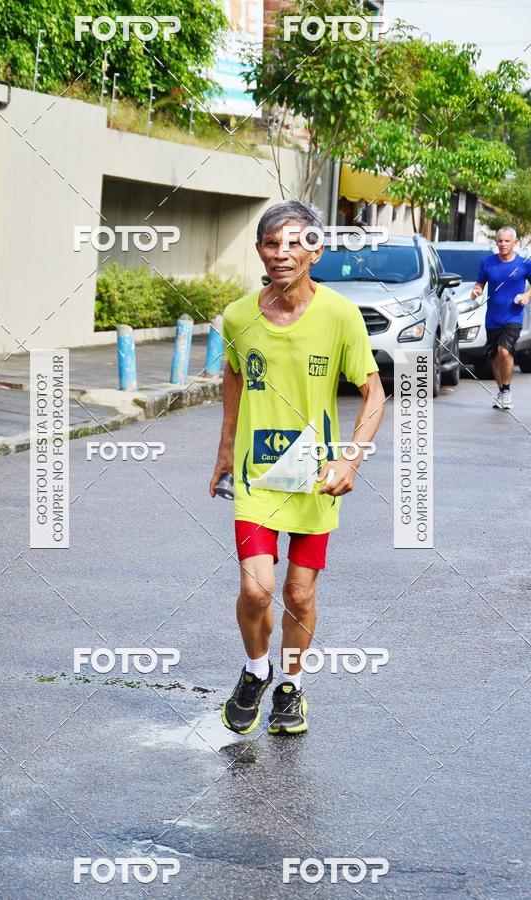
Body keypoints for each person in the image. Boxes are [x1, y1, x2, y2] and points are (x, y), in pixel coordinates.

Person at [209, 200, 385, 736]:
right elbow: (234, 377)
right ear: (259, 250)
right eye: (271, 243)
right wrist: (224, 450)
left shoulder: (340, 316)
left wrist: (352, 457)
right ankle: (255, 670)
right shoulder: (238, 317)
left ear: (316, 252)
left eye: (295, 243)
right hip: (257, 478)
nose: (282, 253)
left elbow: (373, 392)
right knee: (256, 590)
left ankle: (291, 684)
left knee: (299, 594)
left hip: (315, 478)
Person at [471, 226, 531, 409]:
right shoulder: (488, 263)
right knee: (496, 357)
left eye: (507, 241)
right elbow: (480, 283)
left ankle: (506, 391)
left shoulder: (524, 264)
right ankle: (501, 391)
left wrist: (526, 295)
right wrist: (476, 291)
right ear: (496, 242)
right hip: (493, 318)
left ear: (515, 242)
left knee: (505, 351)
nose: (503, 244)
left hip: (513, 316)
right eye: (500, 240)